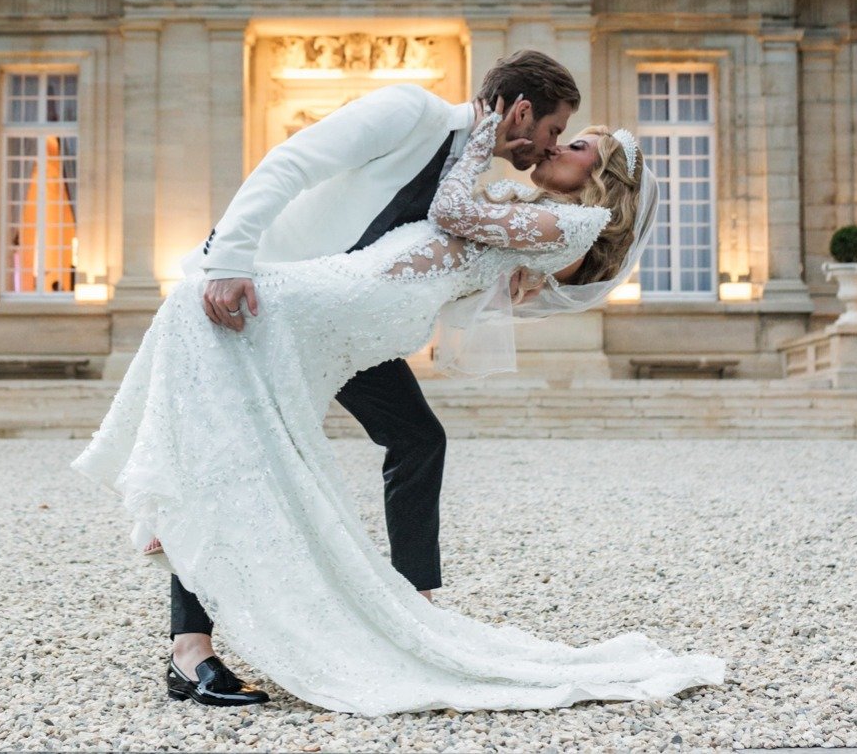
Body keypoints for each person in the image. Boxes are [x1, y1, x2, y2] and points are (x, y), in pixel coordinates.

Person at [71, 88, 726, 716]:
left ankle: (414, 603)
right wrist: (230, 260)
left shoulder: (552, 216)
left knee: (410, 438)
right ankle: (192, 648)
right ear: (519, 111)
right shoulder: (418, 117)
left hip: (355, 315)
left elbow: (459, 232)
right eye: (557, 131)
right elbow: (299, 165)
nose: (553, 146)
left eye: (573, 143)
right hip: (320, 288)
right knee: (238, 446)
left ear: (603, 174)